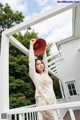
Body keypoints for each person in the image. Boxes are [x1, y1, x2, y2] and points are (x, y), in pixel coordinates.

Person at [29, 39, 63, 120]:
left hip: (53, 100)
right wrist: (31, 45)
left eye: (41, 63)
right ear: (35, 67)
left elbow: (45, 61)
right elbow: (30, 61)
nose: (41, 65)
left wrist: (44, 50)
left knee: (58, 118)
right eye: (37, 64)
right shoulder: (34, 75)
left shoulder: (45, 74)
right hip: (43, 102)